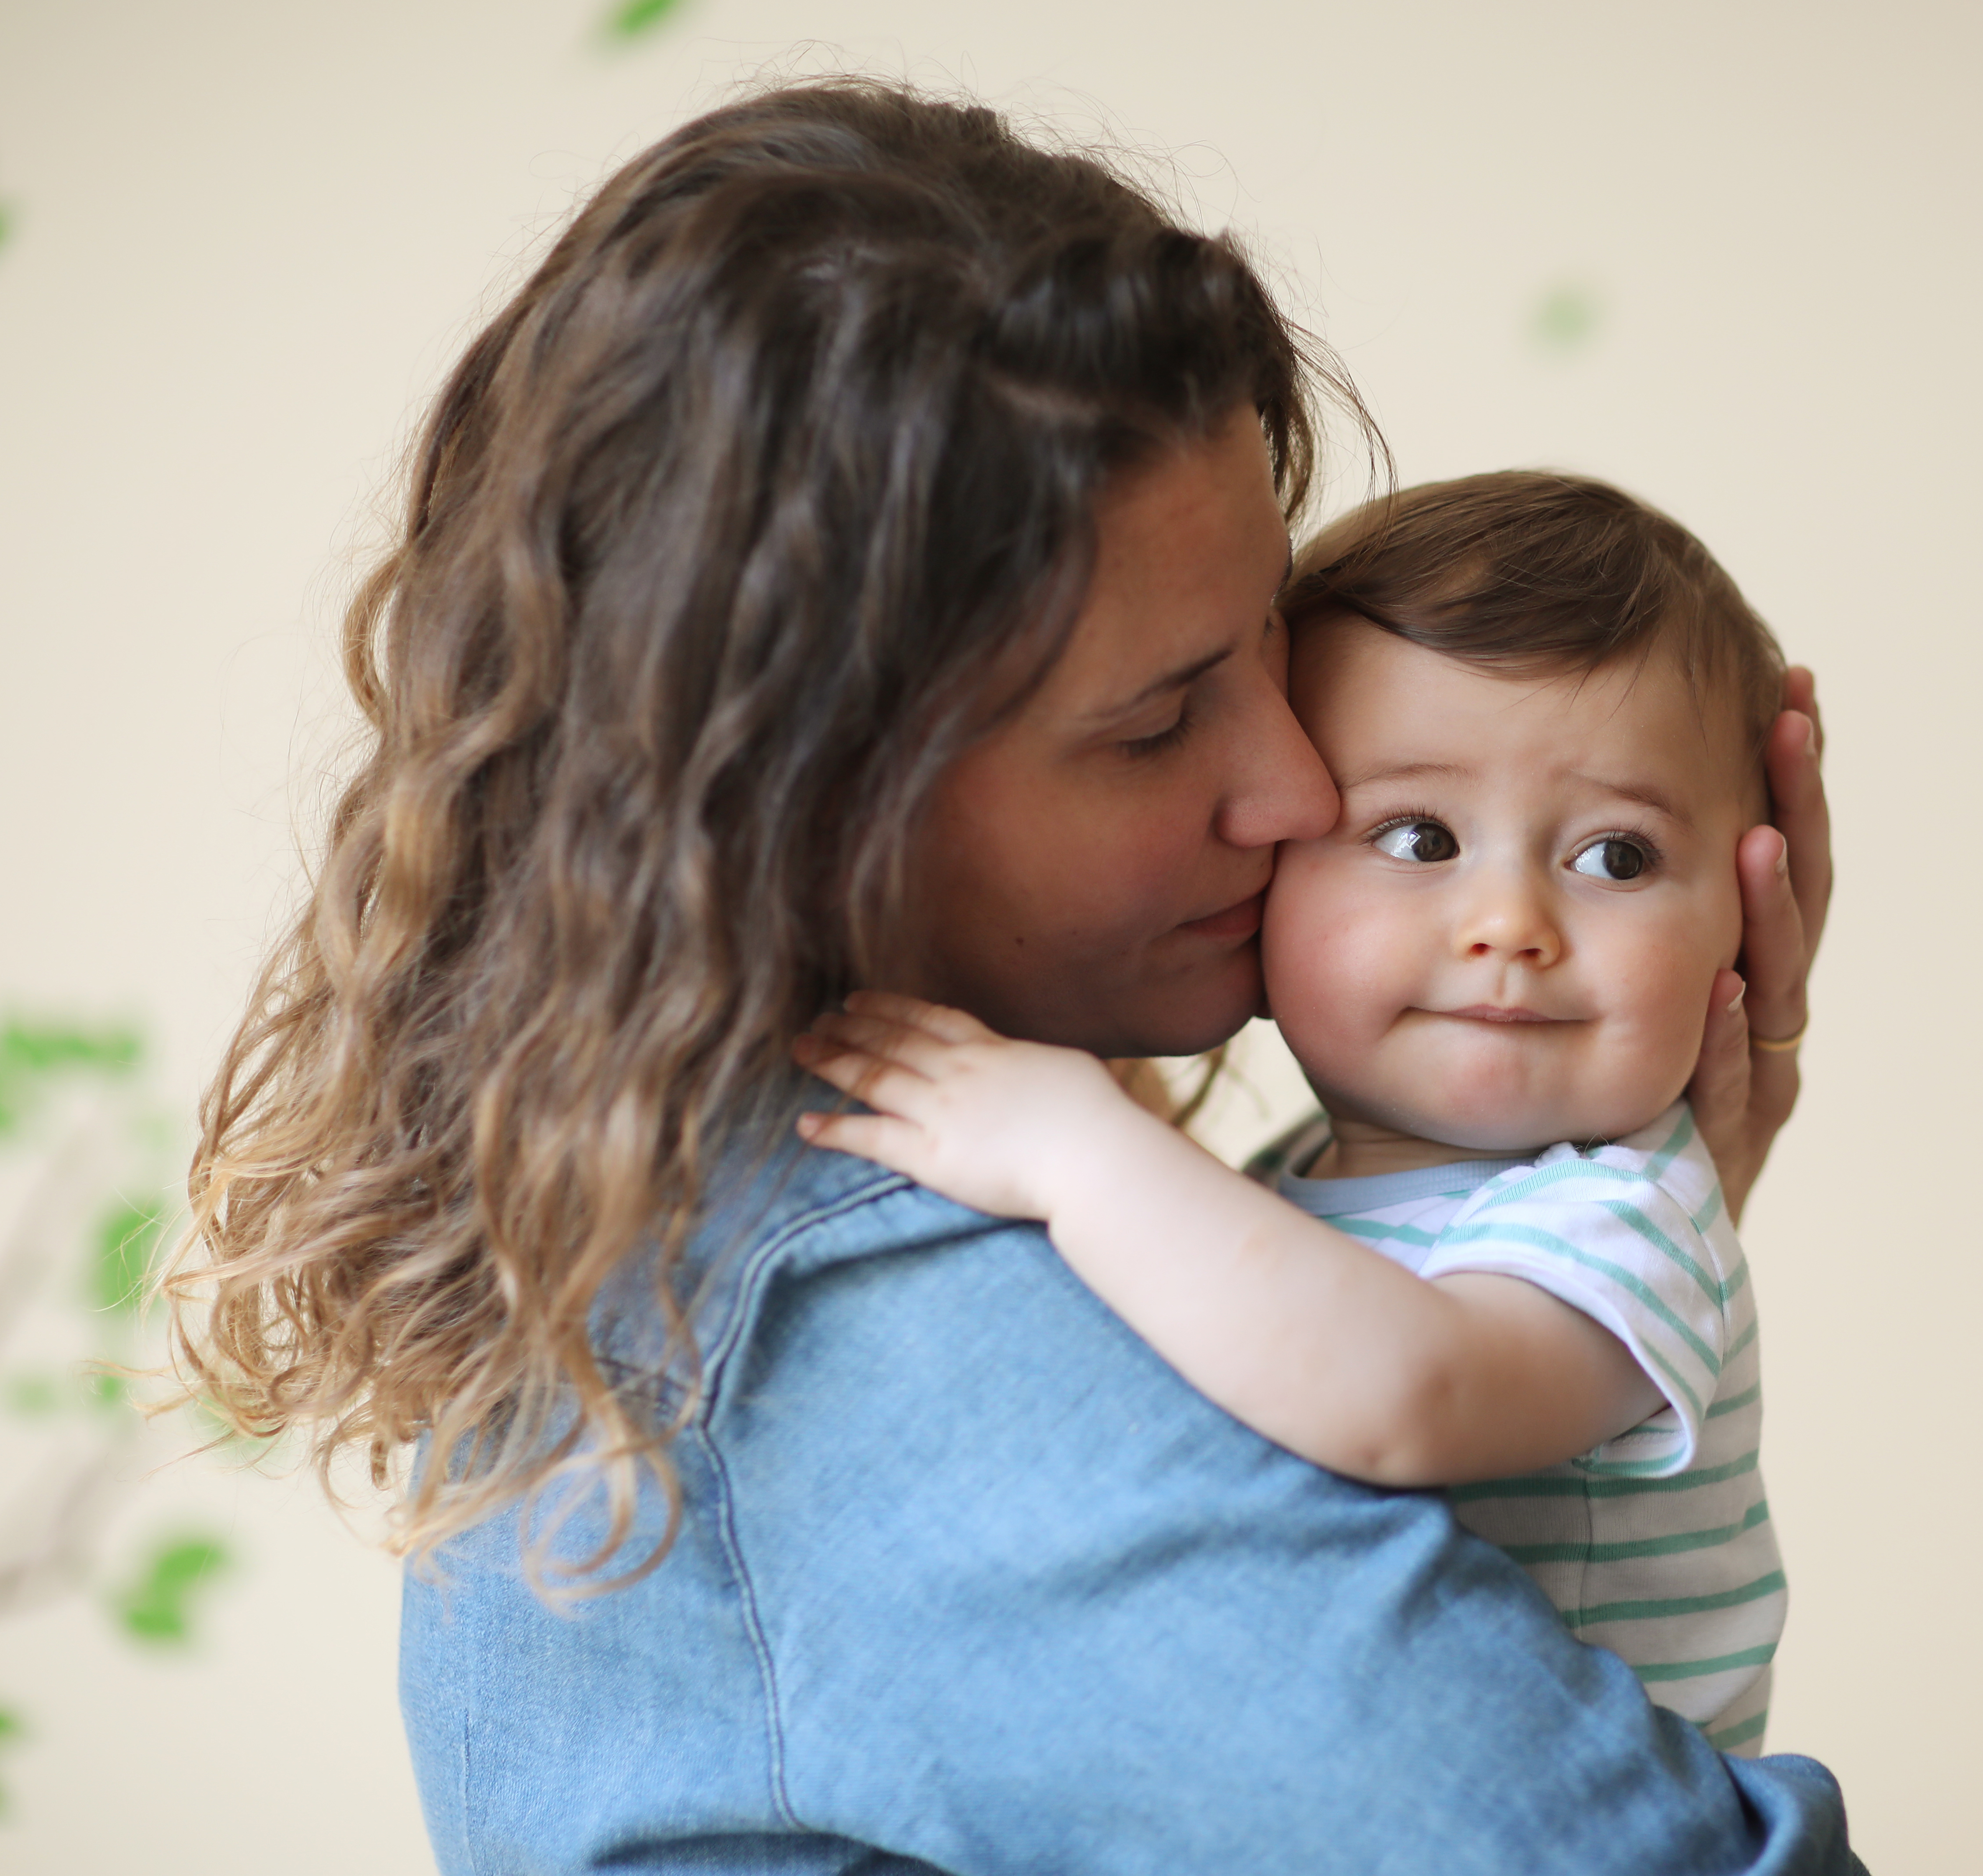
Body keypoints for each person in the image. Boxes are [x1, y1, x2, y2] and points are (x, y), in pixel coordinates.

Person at [172, 79, 1851, 1872]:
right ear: (816, 807)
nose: (1299, 788)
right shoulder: (861, 1313)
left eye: (1268, 650)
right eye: (1153, 724)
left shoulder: (681, 1207)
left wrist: (1575, 1229)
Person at [796, 471, 1791, 1755]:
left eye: (1617, 857)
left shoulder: (1625, 1217)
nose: (1512, 928)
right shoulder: (1283, 1187)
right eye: (1420, 838)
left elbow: (1406, 1390)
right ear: (1270, 878)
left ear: (1751, 930)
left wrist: (1074, 1147)